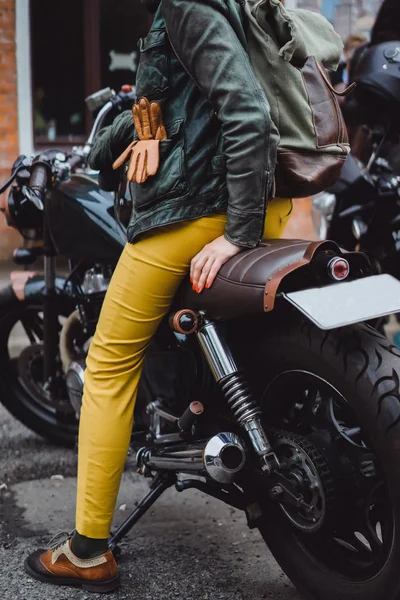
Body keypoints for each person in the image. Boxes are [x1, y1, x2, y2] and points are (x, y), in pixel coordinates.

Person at [24, 0, 292, 592]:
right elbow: (194, 107)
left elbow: (247, 110)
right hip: (266, 201)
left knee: (111, 358)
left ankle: (88, 551)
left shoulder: (186, 6)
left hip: (206, 210)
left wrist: (235, 233)